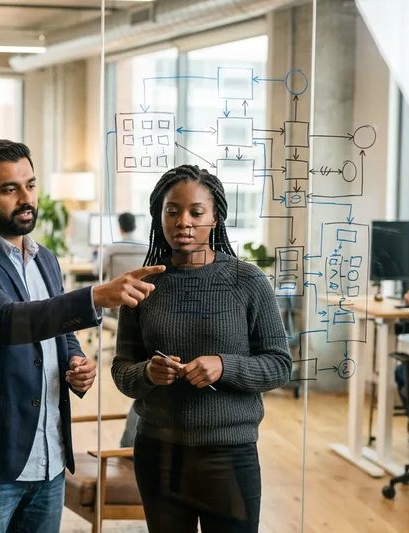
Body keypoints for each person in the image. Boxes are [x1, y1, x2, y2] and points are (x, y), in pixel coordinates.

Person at [0, 139, 166, 532]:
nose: (26, 198)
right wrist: (94, 295)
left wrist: (76, 360)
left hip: (50, 458)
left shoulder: (46, 259)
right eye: (9, 189)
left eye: (31, 184)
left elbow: (58, 331)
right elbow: (5, 321)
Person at [111, 164, 292, 533]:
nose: (183, 222)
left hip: (228, 455)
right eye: (172, 211)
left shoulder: (248, 280)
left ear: (215, 218)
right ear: (158, 217)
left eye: (196, 212)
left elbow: (279, 365)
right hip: (158, 452)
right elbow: (121, 370)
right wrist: (147, 373)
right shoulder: (141, 285)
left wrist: (225, 367)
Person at [93, 212, 145, 278]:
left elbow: (97, 271)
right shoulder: (147, 247)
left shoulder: (112, 249)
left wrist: (99, 253)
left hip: (117, 288)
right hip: (140, 287)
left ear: (120, 228)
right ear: (135, 227)